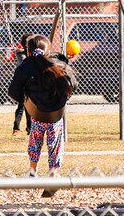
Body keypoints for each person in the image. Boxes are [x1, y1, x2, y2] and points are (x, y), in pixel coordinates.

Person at [8, 34, 77, 195]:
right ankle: (52, 175)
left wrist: (25, 99)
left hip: (37, 113)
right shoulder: (59, 62)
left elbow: (13, 91)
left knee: (35, 140)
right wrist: (64, 97)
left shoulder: (25, 66)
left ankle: (33, 173)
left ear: (29, 51)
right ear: (48, 50)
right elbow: (73, 84)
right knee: (55, 144)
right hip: (55, 114)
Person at [11, 34, 32, 136]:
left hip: (30, 83)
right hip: (23, 83)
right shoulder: (22, 55)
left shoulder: (31, 54)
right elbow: (26, 62)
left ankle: (29, 127)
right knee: (21, 106)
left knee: (29, 108)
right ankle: (16, 127)